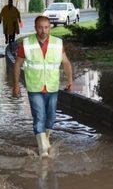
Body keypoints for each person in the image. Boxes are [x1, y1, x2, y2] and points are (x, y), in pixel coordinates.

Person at [13, 16, 73, 157]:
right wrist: (15, 85)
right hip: (35, 87)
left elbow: (66, 63)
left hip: (52, 86)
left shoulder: (58, 43)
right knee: (39, 116)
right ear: (35, 28)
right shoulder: (26, 44)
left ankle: (45, 141)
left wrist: (70, 80)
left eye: (46, 27)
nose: (43, 30)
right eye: (40, 27)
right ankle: (43, 150)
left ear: (50, 28)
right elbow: (17, 64)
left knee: (51, 118)